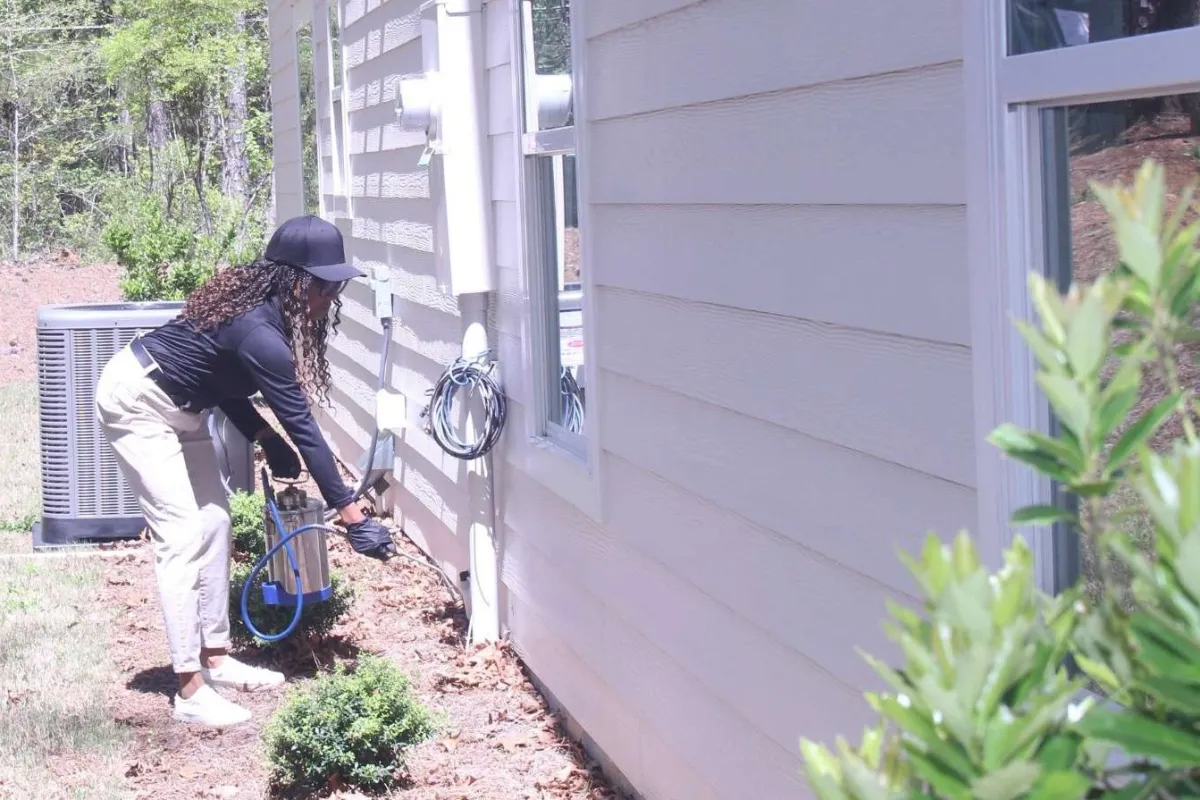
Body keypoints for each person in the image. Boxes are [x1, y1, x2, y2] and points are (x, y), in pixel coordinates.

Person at [94, 215, 396, 728]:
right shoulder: (259, 329)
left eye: (338, 286)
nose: (332, 298)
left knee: (215, 522)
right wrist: (352, 516)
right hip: (138, 401)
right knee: (182, 535)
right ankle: (190, 688)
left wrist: (262, 437)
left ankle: (217, 656)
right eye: (328, 285)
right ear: (298, 281)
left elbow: (221, 376)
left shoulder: (256, 310)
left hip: (184, 407)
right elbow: (305, 427)